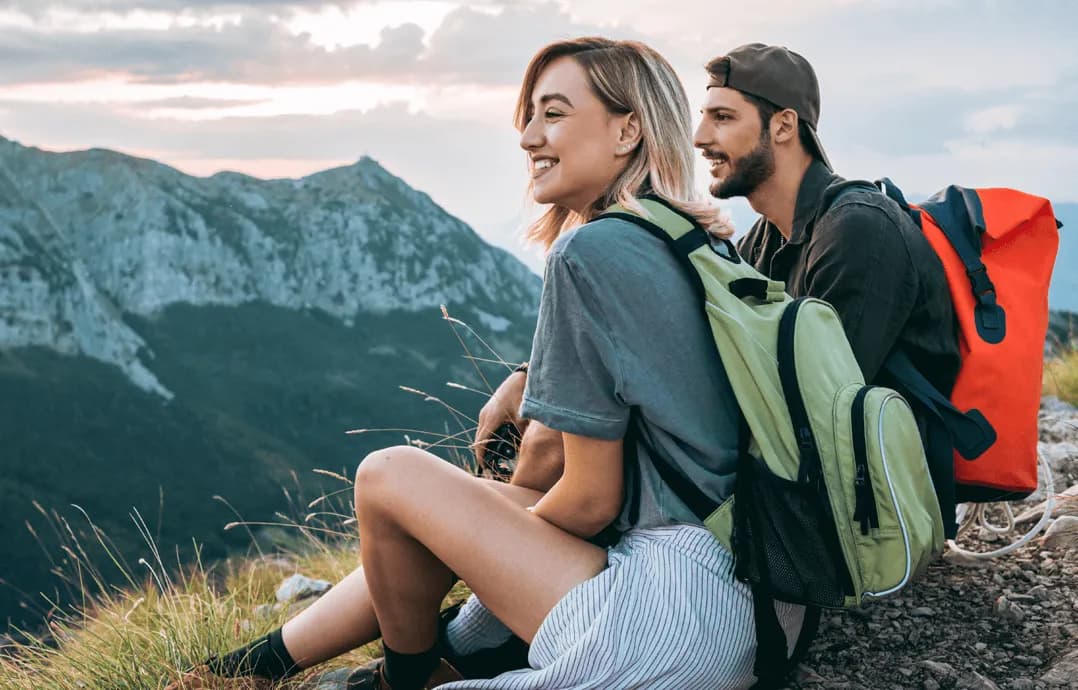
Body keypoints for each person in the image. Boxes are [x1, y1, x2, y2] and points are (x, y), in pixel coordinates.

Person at [168, 36, 803, 690]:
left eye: (552, 114)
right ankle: (257, 664)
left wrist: (475, 557)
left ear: (628, 130)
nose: (528, 138)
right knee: (455, 508)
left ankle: (406, 676)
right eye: (527, 117)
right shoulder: (696, 242)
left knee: (387, 475)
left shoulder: (591, 254)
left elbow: (590, 499)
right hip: (756, 602)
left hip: (670, 614)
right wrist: (484, 515)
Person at [693, 42, 960, 394]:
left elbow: (823, 400)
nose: (700, 138)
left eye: (723, 118)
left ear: (784, 126)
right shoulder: (764, 239)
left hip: (892, 448)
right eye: (704, 117)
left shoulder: (859, 230)